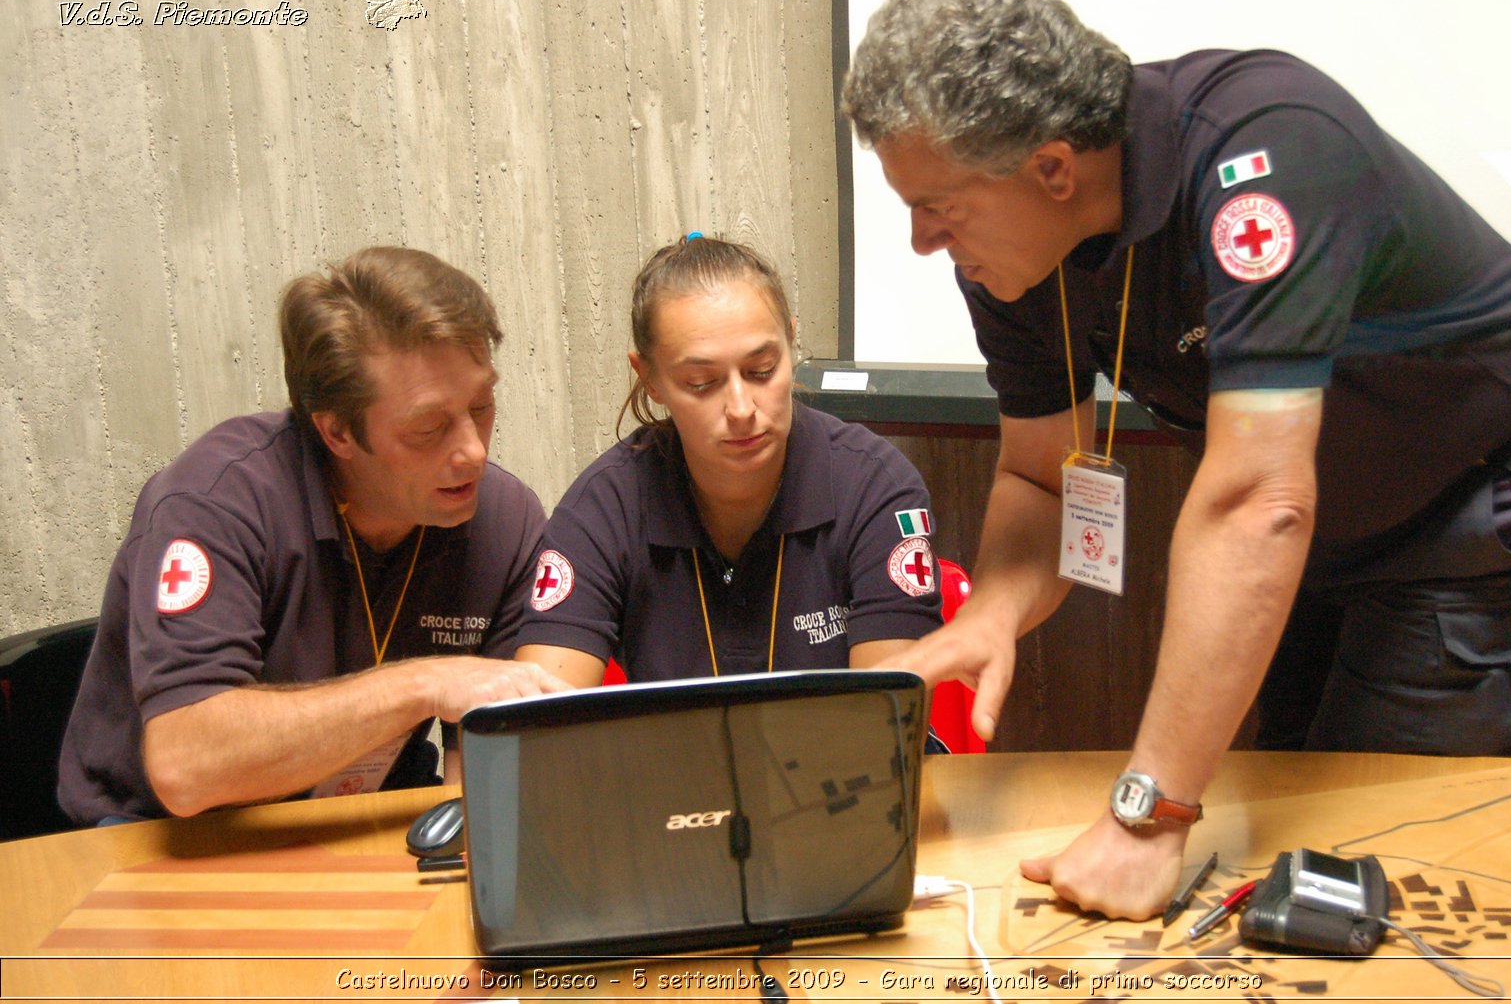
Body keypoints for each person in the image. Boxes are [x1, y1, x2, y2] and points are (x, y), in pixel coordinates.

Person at [840, 0, 1511, 919]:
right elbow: (1041, 476)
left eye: (937, 208)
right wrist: (990, 613)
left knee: (1365, 860)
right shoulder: (1010, 268)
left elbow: (1256, 504)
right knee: (1271, 825)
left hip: (1474, 494)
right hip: (1316, 522)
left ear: (1054, 168)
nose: (920, 241)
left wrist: (1145, 815)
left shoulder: (1264, 156)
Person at [59, 246, 563, 825]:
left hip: (369, 820)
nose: (473, 450)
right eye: (429, 427)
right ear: (337, 432)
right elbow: (186, 767)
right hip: (165, 836)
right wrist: (425, 681)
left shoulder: (505, 519)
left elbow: (474, 781)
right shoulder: (216, 503)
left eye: (482, 405)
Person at [516, 235, 944, 687]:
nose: (741, 408)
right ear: (651, 380)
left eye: (762, 370)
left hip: (844, 759)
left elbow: (890, 727)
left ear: (791, 342)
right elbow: (541, 731)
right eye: (701, 382)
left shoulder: (877, 485)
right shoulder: (602, 506)